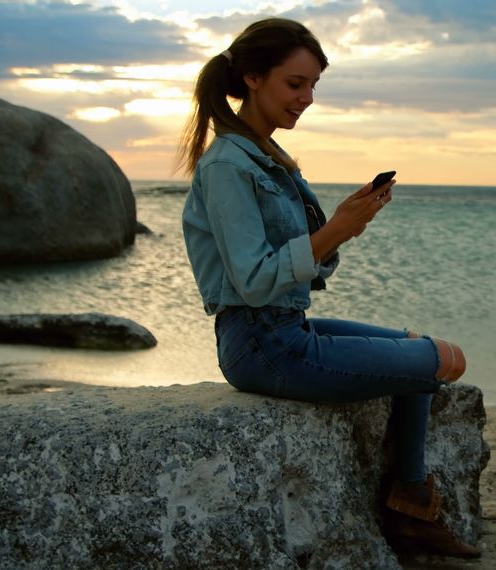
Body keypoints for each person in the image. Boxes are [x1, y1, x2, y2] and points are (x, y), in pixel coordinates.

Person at [176, 18, 478, 558]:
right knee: (442, 360)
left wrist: (346, 227)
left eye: (314, 85)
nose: (307, 98)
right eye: (296, 84)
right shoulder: (227, 165)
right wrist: (335, 228)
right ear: (252, 78)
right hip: (261, 346)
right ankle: (412, 507)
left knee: (418, 346)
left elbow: (303, 273)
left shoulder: (269, 158)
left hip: (285, 330)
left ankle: (410, 506)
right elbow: (252, 280)